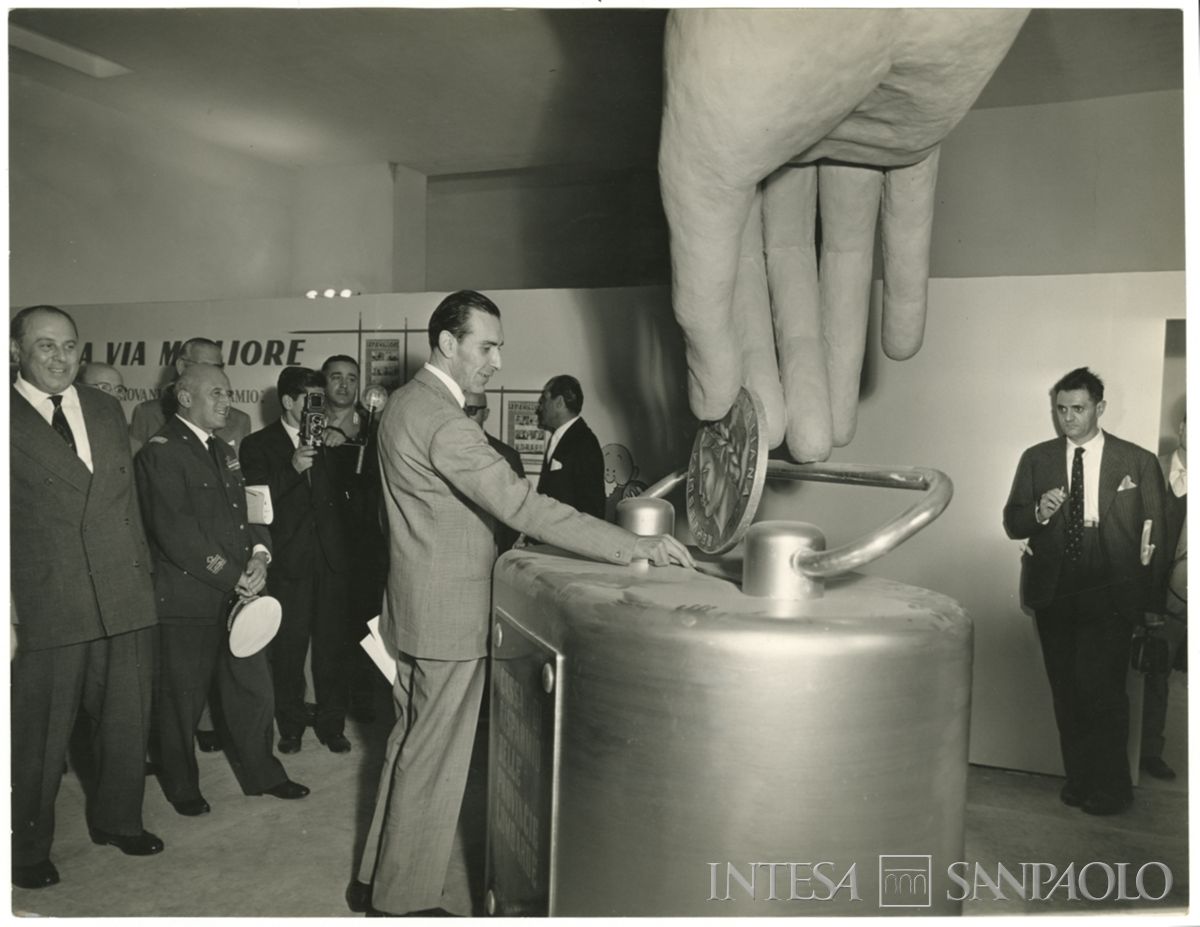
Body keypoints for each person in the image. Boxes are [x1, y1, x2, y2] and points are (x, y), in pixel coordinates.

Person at [353, 290, 693, 916]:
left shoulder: (403, 405)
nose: (497, 362)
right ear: (447, 344)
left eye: (500, 348)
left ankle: (375, 876)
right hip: (448, 617)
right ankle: (403, 902)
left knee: (408, 746)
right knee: (433, 761)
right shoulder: (445, 422)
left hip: (411, 606)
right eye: (486, 347)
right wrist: (631, 543)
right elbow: (522, 504)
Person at [10, 305, 163, 889]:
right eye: (44, 346)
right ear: (15, 352)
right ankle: (24, 847)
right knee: (39, 736)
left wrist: (143, 584)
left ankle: (119, 820)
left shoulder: (104, 406)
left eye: (69, 345)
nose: (60, 357)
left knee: (127, 722)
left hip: (122, 591)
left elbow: (126, 507)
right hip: (48, 600)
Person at [135, 363, 310, 816]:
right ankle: (182, 786)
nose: (226, 401)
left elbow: (253, 512)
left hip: (239, 594)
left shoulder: (224, 449)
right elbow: (176, 534)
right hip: (189, 602)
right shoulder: (161, 452)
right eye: (215, 393)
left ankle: (263, 775)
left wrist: (259, 557)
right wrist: (233, 573)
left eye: (227, 392)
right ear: (184, 398)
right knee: (182, 703)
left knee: (254, 692)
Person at [1003, 367, 1167, 816]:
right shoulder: (1036, 458)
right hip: (1055, 583)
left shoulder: (1136, 461)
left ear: (1100, 408)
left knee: (1104, 691)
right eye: (1061, 409)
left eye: (1078, 409)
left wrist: (1152, 607)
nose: (1068, 419)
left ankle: (1112, 788)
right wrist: (1038, 510)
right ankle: (1079, 780)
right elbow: (1012, 522)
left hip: (1110, 581)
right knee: (1067, 689)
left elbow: (1160, 534)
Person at [240, 366, 354, 754]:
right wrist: (291, 469)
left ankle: (332, 724)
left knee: (332, 649)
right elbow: (255, 506)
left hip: (333, 560)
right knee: (288, 651)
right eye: (311, 400)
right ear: (288, 402)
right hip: (289, 561)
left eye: (321, 400)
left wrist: (346, 446)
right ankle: (290, 727)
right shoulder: (258, 445)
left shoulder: (333, 442)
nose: (317, 408)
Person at [319, 354, 388, 723]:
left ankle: (361, 709)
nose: (344, 385)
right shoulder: (308, 421)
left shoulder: (375, 425)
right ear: (324, 382)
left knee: (364, 630)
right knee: (327, 635)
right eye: (336, 378)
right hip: (321, 547)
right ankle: (326, 711)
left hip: (363, 549)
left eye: (351, 378)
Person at [1140, 413, 1187, 780]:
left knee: (1165, 674)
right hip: (1151, 592)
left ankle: (1150, 751)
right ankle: (1141, 752)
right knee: (1149, 672)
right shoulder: (1150, 468)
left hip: (1186, 594)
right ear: (1183, 427)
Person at [129, 336, 251, 454]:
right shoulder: (147, 414)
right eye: (204, 366)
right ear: (181, 366)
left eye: (218, 367)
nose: (212, 372)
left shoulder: (239, 421)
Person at [535, 374, 606, 519]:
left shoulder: (584, 442)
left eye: (544, 400)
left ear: (559, 402)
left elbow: (592, 507)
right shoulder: (567, 437)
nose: (539, 407)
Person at [465, 389, 525, 553]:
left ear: (486, 414)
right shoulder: (441, 450)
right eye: (459, 410)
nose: (464, 417)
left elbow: (517, 510)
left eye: (471, 411)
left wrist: (500, 548)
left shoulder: (507, 456)